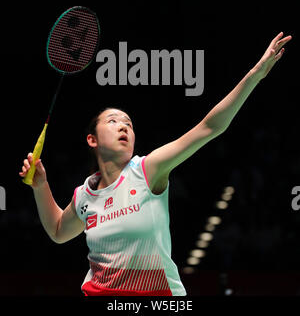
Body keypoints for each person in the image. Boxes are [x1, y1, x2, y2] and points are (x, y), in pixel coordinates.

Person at [19, 31, 292, 296]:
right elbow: (57, 231)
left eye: (129, 124)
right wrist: (40, 185)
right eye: (113, 121)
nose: (123, 126)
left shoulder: (147, 170)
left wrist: (255, 75)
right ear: (92, 139)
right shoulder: (85, 195)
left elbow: (208, 128)